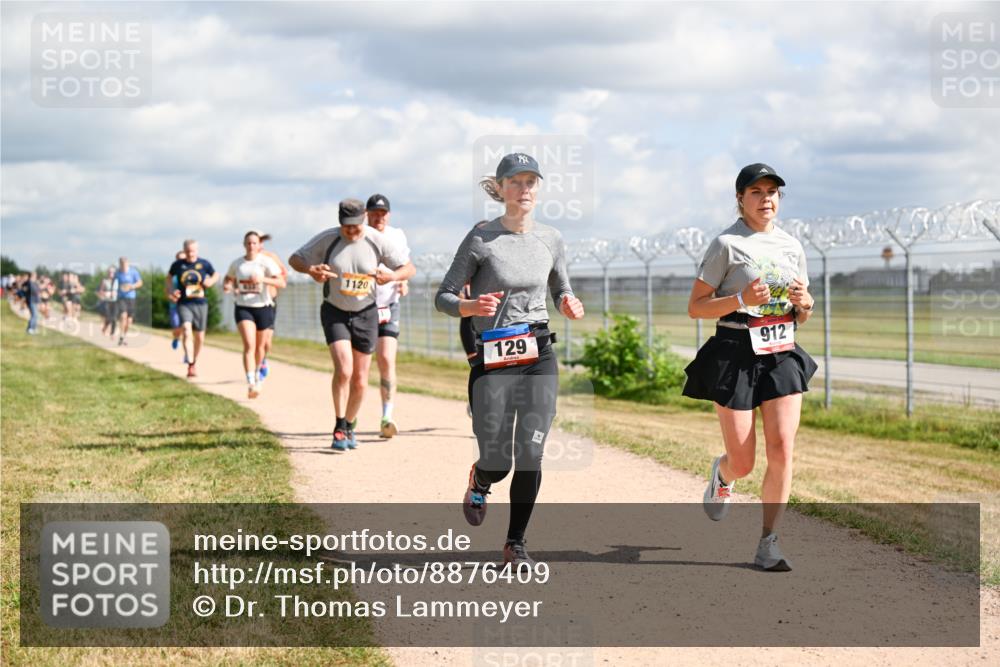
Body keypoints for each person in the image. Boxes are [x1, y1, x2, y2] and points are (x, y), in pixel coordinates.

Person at [435, 153, 585, 566]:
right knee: (499, 461)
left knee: (532, 451)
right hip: (494, 356)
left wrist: (568, 302)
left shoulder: (551, 238)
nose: (524, 189)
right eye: (515, 182)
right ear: (499, 189)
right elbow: (444, 296)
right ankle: (481, 478)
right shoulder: (481, 237)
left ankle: (515, 543)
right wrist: (468, 307)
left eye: (531, 182)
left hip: (539, 352)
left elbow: (561, 288)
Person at [682, 163, 817, 572]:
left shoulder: (792, 247)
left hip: (781, 350)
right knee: (744, 461)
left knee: (782, 448)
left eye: (772, 192)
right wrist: (740, 298)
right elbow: (695, 307)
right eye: (756, 192)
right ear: (740, 198)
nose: (766, 200)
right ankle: (724, 477)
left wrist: (805, 305)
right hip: (735, 349)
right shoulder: (726, 244)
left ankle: (768, 543)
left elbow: (801, 311)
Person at [289, 198, 415, 451]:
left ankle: (349, 424)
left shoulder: (376, 239)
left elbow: (408, 268)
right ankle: (338, 426)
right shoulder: (328, 238)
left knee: (360, 378)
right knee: (344, 369)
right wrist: (312, 269)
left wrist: (391, 276)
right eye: (346, 227)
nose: (351, 231)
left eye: (355, 227)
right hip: (335, 311)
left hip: (366, 313)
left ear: (363, 220)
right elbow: (295, 259)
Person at [365, 193, 411, 438]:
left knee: (386, 359)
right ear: (366, 214)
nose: (378, 217)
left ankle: (387, 415)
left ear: (388, 215)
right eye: (374, 213)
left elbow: (406, 267)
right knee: (359, 367)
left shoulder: (397, 235)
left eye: (382, 213)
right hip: (362, 307)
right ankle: (348, 416)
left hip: (389, 305)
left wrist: (400, 281)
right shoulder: (359, 235)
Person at [224, 231, 286, 398]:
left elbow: (281, 282)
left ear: (259, 245)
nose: (251, 246)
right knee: (249, 344)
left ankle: (259, 374)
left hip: (263, 307)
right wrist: (228, 287)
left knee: (261, 346)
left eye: (254, 243)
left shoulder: (266, 262)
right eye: (248, 243)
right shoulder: (237, 264)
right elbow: (228, 279)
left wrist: (263, 280)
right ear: (244, 245)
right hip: (244, 307)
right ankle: (251, 382)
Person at [167, 240, 219, 378]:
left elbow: (216, 275)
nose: (191, 253)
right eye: (188, 251)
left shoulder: (204, 263)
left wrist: (211, 281)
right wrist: (171, 291)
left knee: (200, 337)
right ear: (184, 250)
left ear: (197, 250)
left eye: (193, 251)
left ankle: (194, 361)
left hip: (201, 303)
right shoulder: (178, 265)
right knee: (187, 330)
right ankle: (190, 363)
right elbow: (169, 278)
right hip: (184, 303)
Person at [256, 233, 288, 381]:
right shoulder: (245, 261)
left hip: (269, 300)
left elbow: (283, 274)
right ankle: (255, 367)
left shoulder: (271, 257)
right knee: (254, 338)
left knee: (267, 340)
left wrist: (269, 281)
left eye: (260, 241)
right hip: (251, 302)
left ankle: (263, 359)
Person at [115, 257, 144, 346]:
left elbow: (140, 282)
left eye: (124, 263)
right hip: (121, 297)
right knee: (123, 316)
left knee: (129, 320)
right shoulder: (118, 273)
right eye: (121, 264)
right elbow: (114, 284)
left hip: (131, 298)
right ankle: (121, 335)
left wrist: (132, 286)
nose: (122, 265)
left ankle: (123, 336)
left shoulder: (133, 272)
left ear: (127, 263)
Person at [168, 251, 186, 358]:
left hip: (186, 305)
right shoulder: (173, 275)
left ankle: (187, 355)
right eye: (178, 259)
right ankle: (176, 337)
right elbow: (167, 290)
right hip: (174, 305)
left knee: (186, 329)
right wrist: (171, 297)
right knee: (176, 327)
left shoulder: (189, 273)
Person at [97, 266, 119, 338]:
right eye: (109, 272)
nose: (111, 273)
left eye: (112, 272)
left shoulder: (117, 281)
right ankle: (105, 328)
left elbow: (120, 290)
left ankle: (112, 333)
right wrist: (106, 294)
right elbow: (100, 292)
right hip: (107, 301)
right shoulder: (104, 281)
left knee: (114, 318)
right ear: (107, 273)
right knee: (109, 318)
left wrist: (116, 293)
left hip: (115, 301)